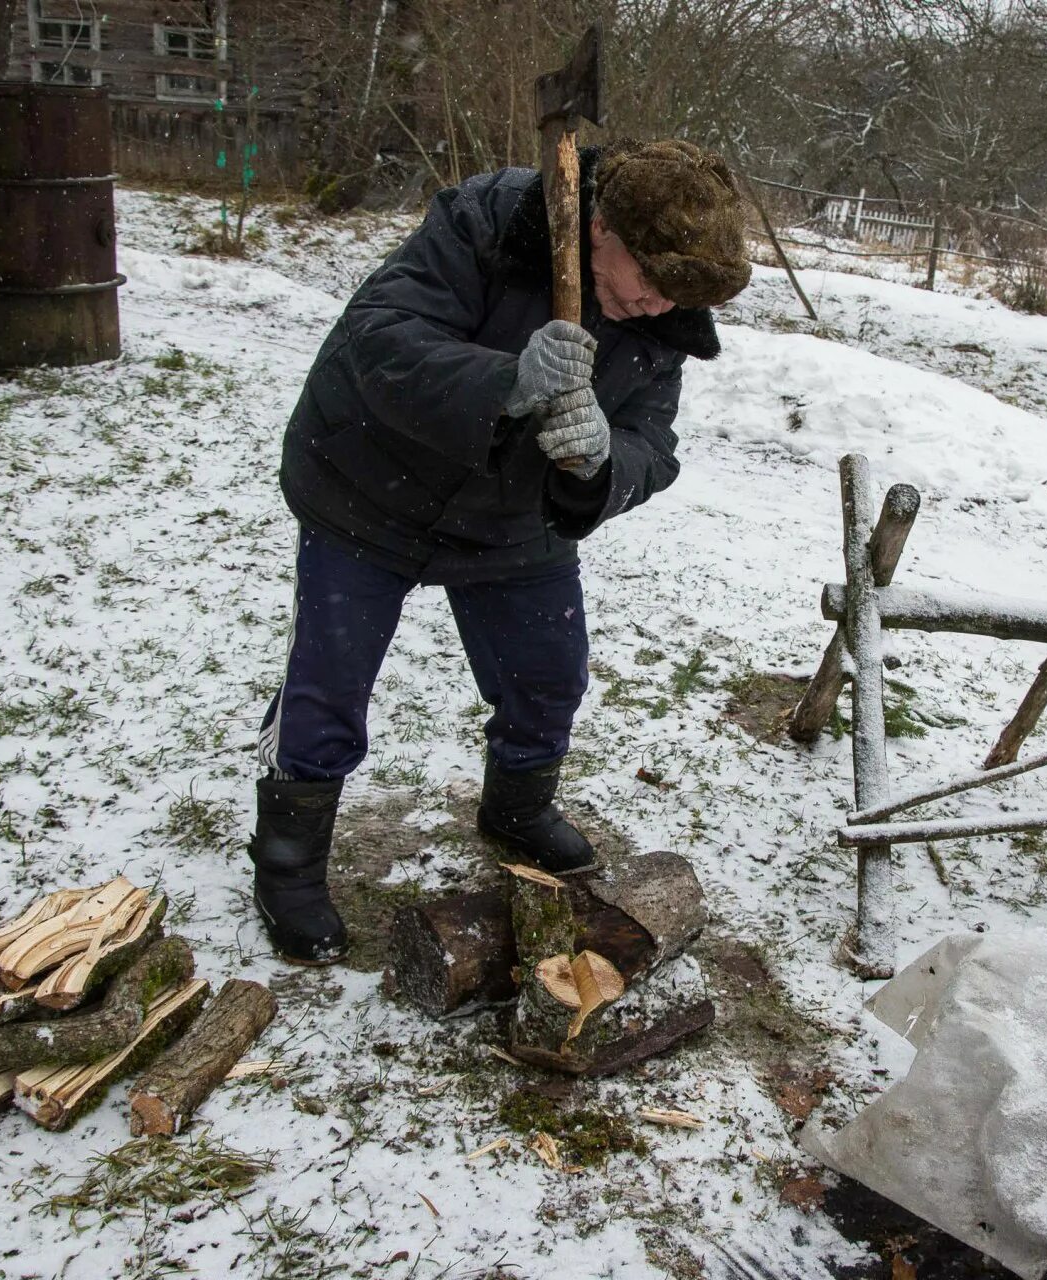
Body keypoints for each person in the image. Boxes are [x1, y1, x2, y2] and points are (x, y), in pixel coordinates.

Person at [246, 139, 752, 965]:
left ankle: (515, 808)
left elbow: (651, 442)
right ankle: (288, 861)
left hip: (513, 518)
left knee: (549, 674)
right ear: (601, 228)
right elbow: (380, 339)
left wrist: (602, 461)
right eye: (649, 283)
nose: (659, 306)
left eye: (676, 297)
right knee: (328, 683)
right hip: (367, 485)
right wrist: (506, 380)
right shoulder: (490, 220)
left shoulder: (665, 316)